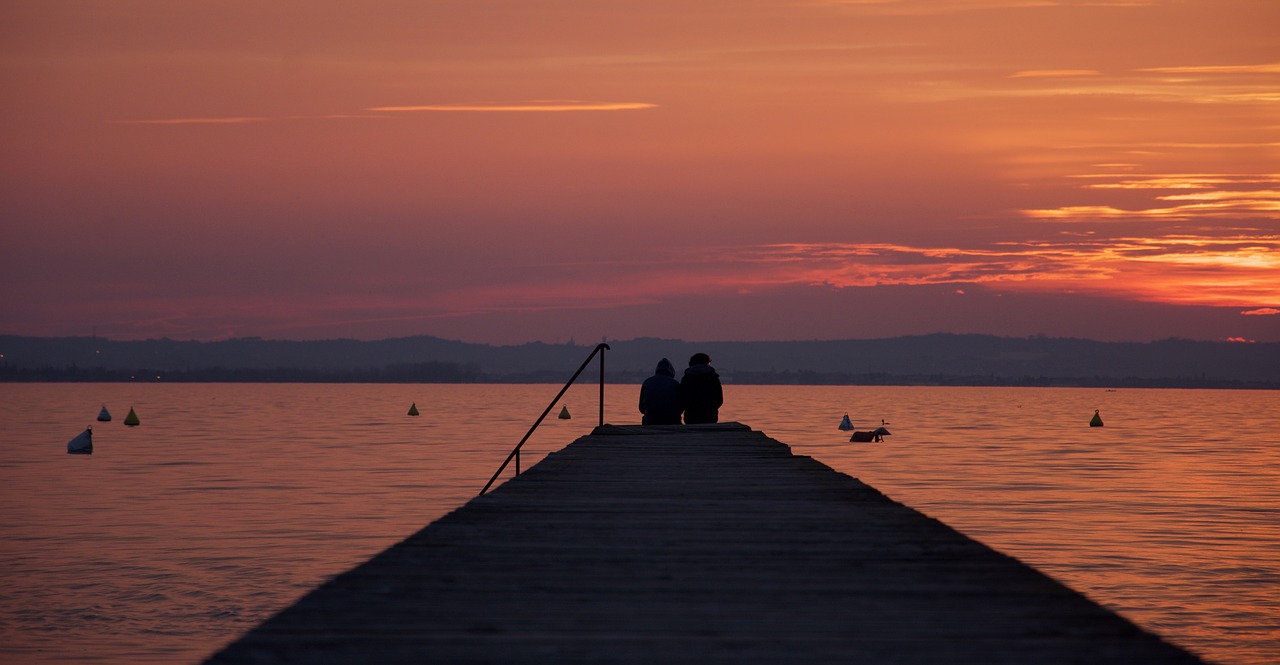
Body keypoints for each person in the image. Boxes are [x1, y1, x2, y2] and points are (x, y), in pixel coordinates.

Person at [679, 352, 723, 424]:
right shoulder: (713, 377)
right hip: (710, 417)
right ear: (707, 363)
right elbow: (719, 399)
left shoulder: (686, 378)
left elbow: (681, 399)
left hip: (690, 417)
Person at [638, 358, 682, 425]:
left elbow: (641, 408)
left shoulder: (647, 382)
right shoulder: (675, 384)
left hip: (650, 420)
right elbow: (680, 407)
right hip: (671, 420)